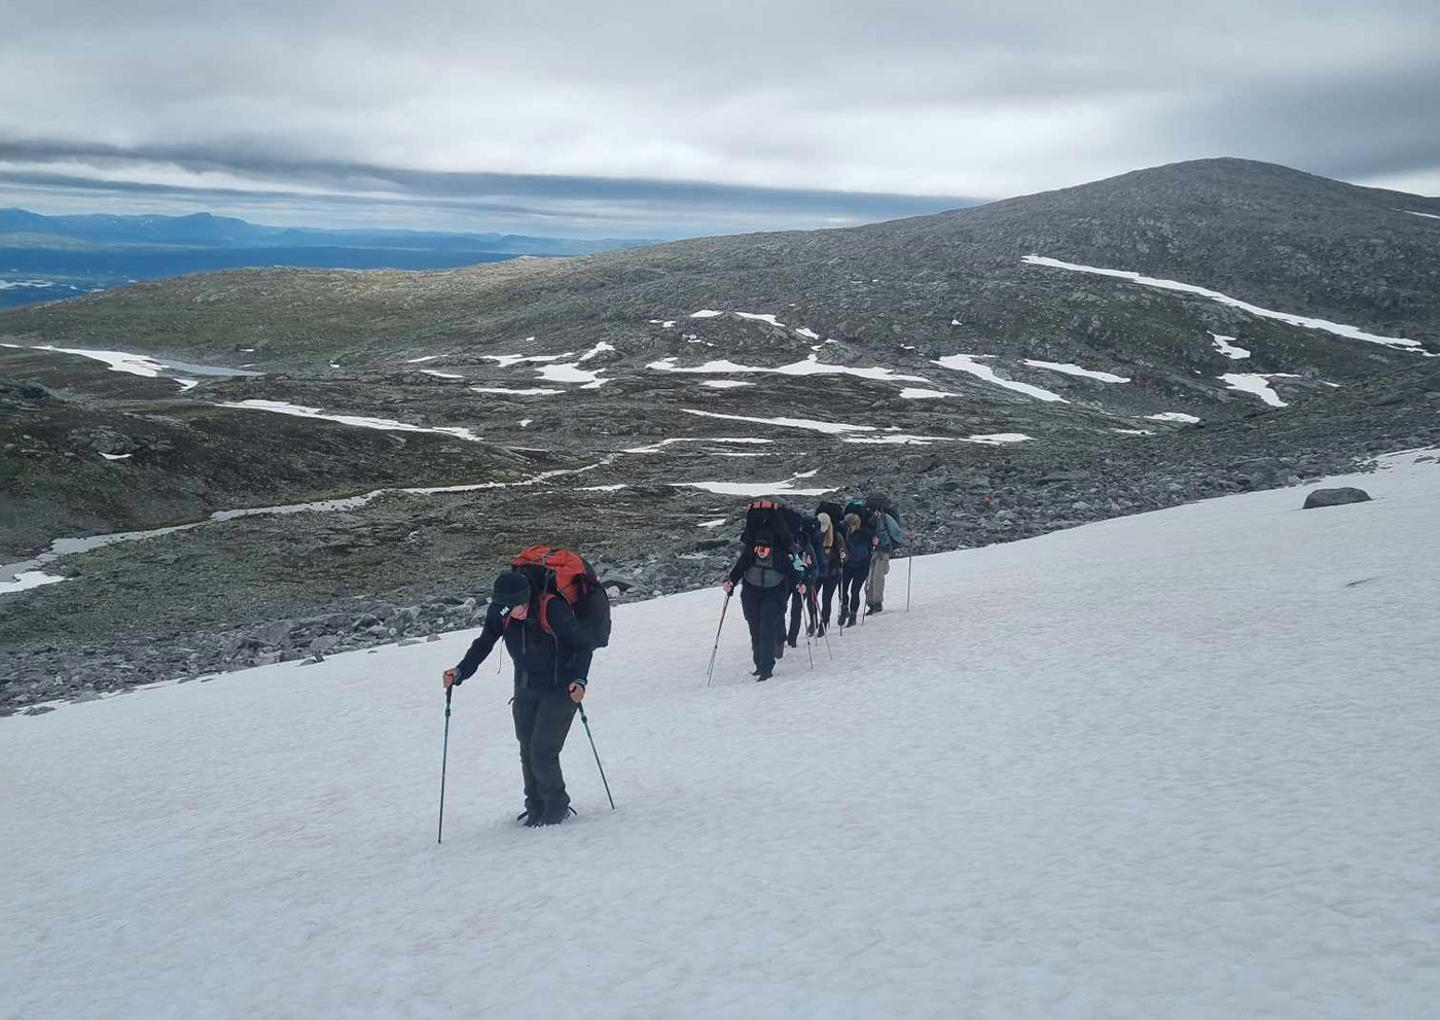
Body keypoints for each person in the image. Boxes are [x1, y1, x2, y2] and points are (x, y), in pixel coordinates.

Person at [442, 565, 594, 827]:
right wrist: (460, 671)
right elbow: (484, 644)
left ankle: (556, 809)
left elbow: (583, 645)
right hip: (525, 687)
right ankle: (535, 807)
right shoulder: (501, 612)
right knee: (526, 749)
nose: (519, 611)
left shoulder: (551, 608)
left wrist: (580, 680)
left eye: (522, 605)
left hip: (561, 688)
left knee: (542, 750)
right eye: (513, 608)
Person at [724, 504, 800, 681]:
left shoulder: (779, 556)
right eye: (758, 549)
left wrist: (800, 585)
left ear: (771, 548)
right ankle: (759, 664)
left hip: (773, 594)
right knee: (755, 629)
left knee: (767, 628)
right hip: (751, 593)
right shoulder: (750, 554)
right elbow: (739, 569)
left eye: (764, 550)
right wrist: (730, 583)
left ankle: (766, 667)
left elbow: (792, 573)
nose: (761, 552)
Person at [786, 516, 824, 648]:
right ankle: (786, 639)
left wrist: (809, 579)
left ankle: (791, 639)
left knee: (795, 610)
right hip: (793, 581)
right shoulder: (804, 544)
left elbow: (814, 569)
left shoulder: (806, 546)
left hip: (801, 581)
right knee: (788, 610)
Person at [865, 506, 907, 615]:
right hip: (873, 552)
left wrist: (907, 537)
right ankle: (871, 603)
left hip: (883, 552)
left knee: (877, 577)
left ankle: (877, 603)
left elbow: (896, 531)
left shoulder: (886, 519)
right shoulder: (870, 520)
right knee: (870, 578)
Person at [840, 512, 875, 627]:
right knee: (842, 589)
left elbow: (871, 548)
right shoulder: (846, 534)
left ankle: (853, 615)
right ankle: (845, 608)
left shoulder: (865, 534)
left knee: (854, 590)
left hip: (861, 566)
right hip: (850, 565)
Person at [813, 511, 845, 635]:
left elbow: (845, 551)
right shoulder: (814, 535)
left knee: (826, 599)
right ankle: (814, 619)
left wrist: (842, 554)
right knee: (813, 599)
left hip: (832, 573)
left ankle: (823, 623)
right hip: (818, 573)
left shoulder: (836, 536)